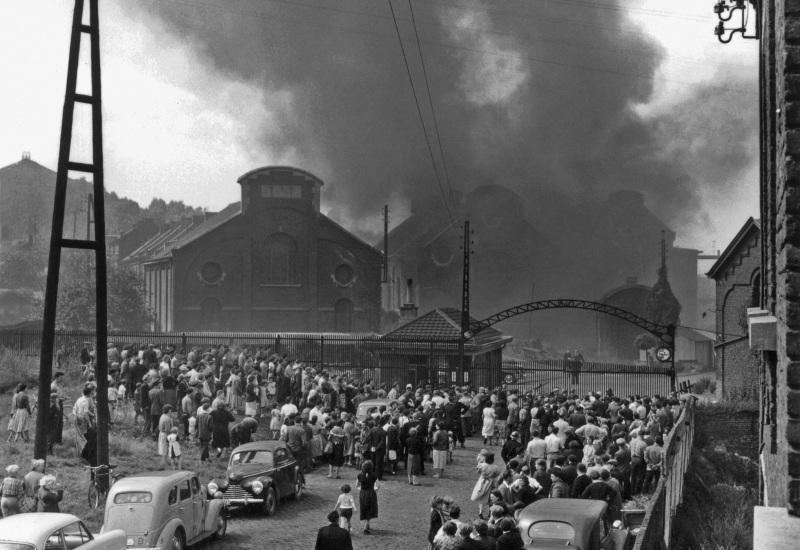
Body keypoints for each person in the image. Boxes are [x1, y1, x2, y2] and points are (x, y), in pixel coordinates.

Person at [471, 453, 500, 519]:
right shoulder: (495, 467)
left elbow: (478, 471)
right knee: (490, 497)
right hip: (491, 482)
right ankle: (490, 512)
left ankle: (480, 512)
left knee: (481, 497)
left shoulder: (482, 465)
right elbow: (497, 474)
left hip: (482, 481)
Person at [356, 460, 379, 534]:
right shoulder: (374, 475)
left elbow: (356, 485)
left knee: (364, 508)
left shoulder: (360, 475)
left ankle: (367, 524)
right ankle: (366, 525)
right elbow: (378, 485)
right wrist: (376, 489)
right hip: (371, 493)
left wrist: (361, 487)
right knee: (370, 508)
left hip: (363, 493)